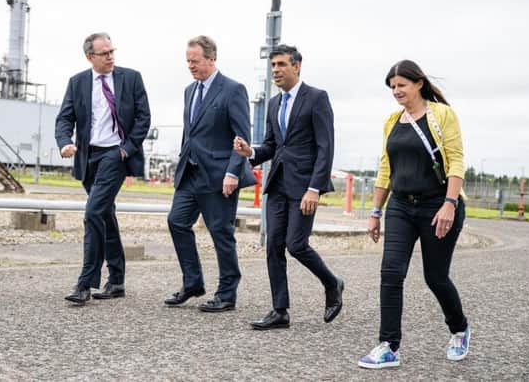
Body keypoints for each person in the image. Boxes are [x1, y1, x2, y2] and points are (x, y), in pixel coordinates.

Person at [358, 60, 469, 369]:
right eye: (392, 87)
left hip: (438, 205)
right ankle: (388, 345)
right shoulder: (392, 121)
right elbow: (385, 168)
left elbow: (457, 161)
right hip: (401, 207)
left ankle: (459, 329)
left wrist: (450, 203)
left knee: (435, 276)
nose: (396, 91)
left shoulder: (443, 115)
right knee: (391, 273)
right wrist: (375, 211)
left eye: (401, 85)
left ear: (418, 83)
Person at [233, 44, 343, 330]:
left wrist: (314, 188)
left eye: (281, 64)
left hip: (305, 186)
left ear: (297, 66)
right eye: (273, 66)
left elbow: (325, 147)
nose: (276, 71)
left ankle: (332, 283)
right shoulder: (273, 104)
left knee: (296, 245)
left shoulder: (317, 98)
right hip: (278, 184)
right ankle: (279, 310)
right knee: (273, 247)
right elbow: (272, 145)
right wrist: (251, 152)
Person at [55, 32, 151, 304]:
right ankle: (117, 280)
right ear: (90, 57)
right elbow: (65, 118)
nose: (110, 57)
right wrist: (65, 142)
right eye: (104, 53)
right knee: (105, 215)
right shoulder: (78, 83)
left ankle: (85, 283)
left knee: (93, 212)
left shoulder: (131, 78)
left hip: (115, 154)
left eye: (112, 51)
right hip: (88, 157)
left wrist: (126, 149)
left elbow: (143, 117)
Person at [165, 35, 256, 312]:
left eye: (195, 61)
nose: (190, 66)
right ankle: (193, 282)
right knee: (177, 222)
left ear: (211, 59)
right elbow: (189, 134)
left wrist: (232, 172)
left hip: (219, 175)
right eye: (188, 61)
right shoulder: (189, 91)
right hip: (190, 173)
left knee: (221, 232)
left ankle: (227, 293)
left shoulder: (232, 90)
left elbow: (242, 136)